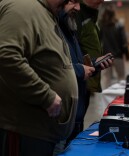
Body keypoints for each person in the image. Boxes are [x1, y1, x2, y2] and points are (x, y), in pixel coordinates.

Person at [0, 0, 78, 155]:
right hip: (26, 132)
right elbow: (6, 55)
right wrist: (45, 96)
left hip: (43, 132)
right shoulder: (23, 7)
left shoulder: (46, 12)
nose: (76, 7)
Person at [57, 0, 112, 152]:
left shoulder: (69, 25)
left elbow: (75, 60)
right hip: (62, 114)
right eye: (73, 2)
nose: (78, 8)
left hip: (77, 107)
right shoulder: (55, 28)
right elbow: (52, 68)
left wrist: (94, 64)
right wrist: (81, 70)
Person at [75, 0, 105, 125]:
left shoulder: (91, 16)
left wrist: (95, 62)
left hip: (87, 76)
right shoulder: (77, 15)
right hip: (77, 77)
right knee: (75, 121)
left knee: (79, 120)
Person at [99, 6, 129, 89]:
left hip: (106, 56)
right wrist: (127, 54)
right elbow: (124, 41)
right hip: (118, 56)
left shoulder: (101, 25)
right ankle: (120, 97)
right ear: (114, 14)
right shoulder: (119, 25)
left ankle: (106, 99)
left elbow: (98, 40)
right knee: (121, 78)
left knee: (106, 79)